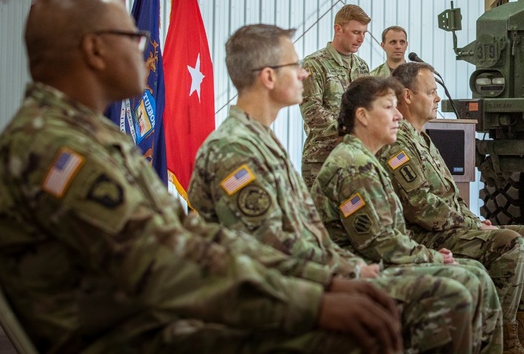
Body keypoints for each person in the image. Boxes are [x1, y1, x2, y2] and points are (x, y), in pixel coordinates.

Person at [0, 0, 402, 353]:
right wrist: (313, 301)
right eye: (135, 37)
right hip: (132, 335)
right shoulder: (55, 149)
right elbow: (166, 265)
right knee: (357, 337)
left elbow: (188, 235)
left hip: (150, 318)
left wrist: (319, 282)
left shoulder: (90, 138)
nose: (147, 51)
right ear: (95, 49)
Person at [189, 24, 476, 353]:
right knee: (449, 294)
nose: (304, 74)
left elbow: (307, 237)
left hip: (300, 280)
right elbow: (270, 250)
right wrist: (351, 272)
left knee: (452, 288)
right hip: (266, 301)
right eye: (294, 66)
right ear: (268, 77)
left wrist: (351, 267)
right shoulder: (235, 151)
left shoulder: (262, 141)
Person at [382, 62, 524, 354]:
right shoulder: (398, 143)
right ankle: (501, 340)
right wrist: (469, 225)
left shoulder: (423, 138)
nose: (438, 98)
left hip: (447, 228)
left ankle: (521, 332)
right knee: (509, 244)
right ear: (407, 96)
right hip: (423, 236)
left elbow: (451, 199)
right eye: (430, 92)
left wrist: (476, 221)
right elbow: (420, 207)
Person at [314, 76, 504, 354]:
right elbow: (380, 243)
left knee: (475, 273)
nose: (398, 115)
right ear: (363, 116)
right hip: (358, 268)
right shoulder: (353, 166)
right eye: (389, 107)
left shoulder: (364, 159)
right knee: (463, 282)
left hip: (374, 259)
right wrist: (431, 257)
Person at [301, 4, 371, 189]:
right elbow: (311, 111)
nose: (361, 39)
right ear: (338, 29)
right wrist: (349, 130)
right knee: (320, 216)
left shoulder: (362, 67)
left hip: (355, 157)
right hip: (322, 159)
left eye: (364, 33)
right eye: (356, 32)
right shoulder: (315, 64)